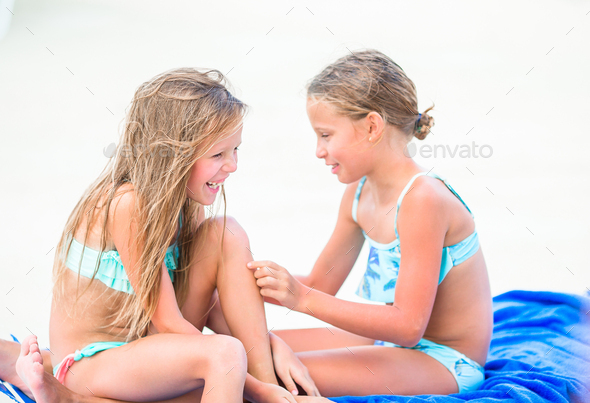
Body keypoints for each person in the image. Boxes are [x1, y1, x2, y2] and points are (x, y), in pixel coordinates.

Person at [1, 67, 328, 403]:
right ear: (174, 155)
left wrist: (272, 347)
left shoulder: (188, 202)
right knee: (225, 356)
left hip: (148, 350)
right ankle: (71, 395)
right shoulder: (128, 204)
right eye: (218, 154)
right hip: (94, 362)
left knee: (226, 232)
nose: (232, 165)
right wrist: (256, 391)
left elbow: (213, 305)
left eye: (235, 150)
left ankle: (275, 386)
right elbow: (170, 322)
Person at [247, 49, 493, 397]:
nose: (318, 150)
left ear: (372, 127)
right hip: (385, 343)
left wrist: (299, 297)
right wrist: (235, 284)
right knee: (245, 353)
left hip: (444, 360)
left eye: (326, 135)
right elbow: (322, 283)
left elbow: (408, 326)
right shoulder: (359, 192)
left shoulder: (423, 200)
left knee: (271, 374)